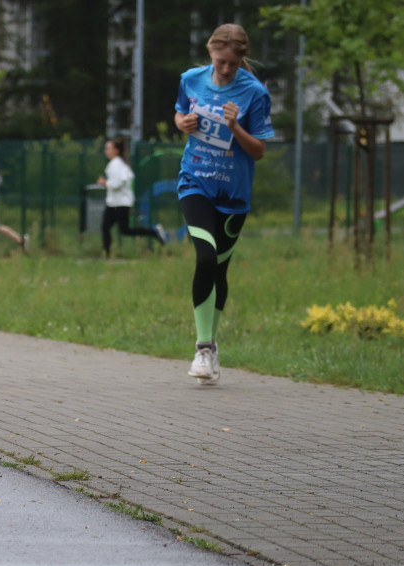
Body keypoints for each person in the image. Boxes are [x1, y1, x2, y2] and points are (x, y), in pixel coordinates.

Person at [173, 24, 274, 385]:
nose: (226, 69)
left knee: (218, 270)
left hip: (233, 196)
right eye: (220, 61)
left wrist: (235, 127)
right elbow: (180, 113)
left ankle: (212, 347)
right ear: (210, 53)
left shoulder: (254, 93)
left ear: (242, 59)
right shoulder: (191, 79)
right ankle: (202, 347)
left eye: (232, 63)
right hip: (195, 182)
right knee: (204, 255)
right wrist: (182, 123)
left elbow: (259, 150)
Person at [96, 138, 166, 258]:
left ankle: (154, 232)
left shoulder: (117, 164)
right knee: (107, 227)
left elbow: (118, 183)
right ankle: (106, 253)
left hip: (120, 204)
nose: (106, 151)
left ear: (116, 150)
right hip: (114, 203)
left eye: (108, 148)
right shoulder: (116, 164)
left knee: (123, 230)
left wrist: (105, 183)